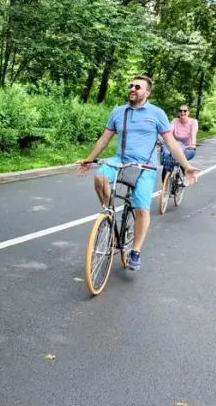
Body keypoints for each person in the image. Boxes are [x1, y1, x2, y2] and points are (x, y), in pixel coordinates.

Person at [76, 76, 199, 271]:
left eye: (137, 87)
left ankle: (135, 251)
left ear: (147, 93)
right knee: (100, 177)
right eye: (130, 86)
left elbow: (171, 143)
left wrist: (186, 166)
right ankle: (108, 217)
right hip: (120, 159)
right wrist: (89, 159)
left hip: (145, 165)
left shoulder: (156, 113)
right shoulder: (118, 112)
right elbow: (104, 139)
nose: (132, 89)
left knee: (141, 209)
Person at [160, 104, 198, 183]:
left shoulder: (193, 122)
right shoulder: (175, 121)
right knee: (167, 163)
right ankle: (165, 186)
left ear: (188, 112)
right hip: (176, 148)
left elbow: (193, 134)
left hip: (188, 149)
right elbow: (169, 132)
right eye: (180, 111)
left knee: (181, 160)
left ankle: (184, 176)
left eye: (185, 111)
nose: (182, 113)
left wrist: (193, 145)